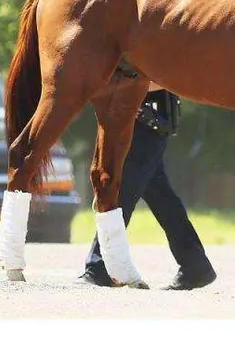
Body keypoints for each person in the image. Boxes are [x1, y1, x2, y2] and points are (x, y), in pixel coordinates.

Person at [77, 86, 217, 290]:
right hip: (137, 122)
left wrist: (126, 88)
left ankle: (99, 267)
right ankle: (195, 264)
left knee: (122, 191)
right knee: (161, 197)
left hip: (146, 122)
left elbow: (164, 75)